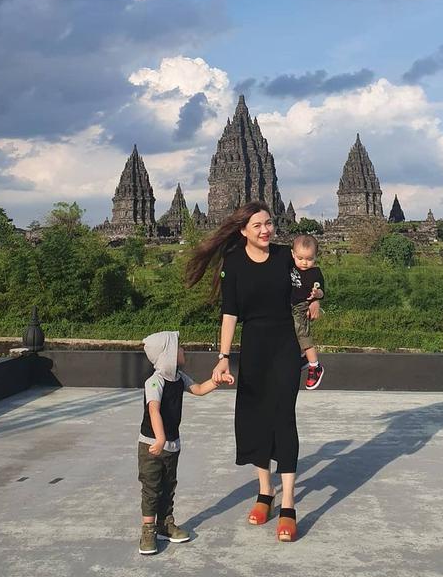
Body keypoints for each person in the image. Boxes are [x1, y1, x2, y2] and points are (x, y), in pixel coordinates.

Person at [186, 202, 322, 543]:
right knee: (257, 418)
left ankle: (288, 503)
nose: (266, 229)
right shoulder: (233, 264)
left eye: (269, 223)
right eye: (258, 225)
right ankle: (266, 491)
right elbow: (229, 313)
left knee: (283, 418)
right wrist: (223, 357)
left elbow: (310, 275)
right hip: (255, 347)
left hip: (285, 346)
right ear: (243, 231)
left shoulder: (284, 257)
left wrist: (317, 297)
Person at [138, 330, 233, 556]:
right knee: (151, 488)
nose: (184, 350)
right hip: (151, 444)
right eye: (180, 347)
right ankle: (148, 530)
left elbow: (199, 390)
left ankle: (165, 522)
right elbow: (154, 410)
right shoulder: (154, 381)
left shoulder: (179, 378)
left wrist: (217, 381)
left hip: (172, 445)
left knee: (168, 486)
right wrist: (160, 438)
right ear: (168, 354)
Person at [290, 234, 325, 390]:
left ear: (315, 257)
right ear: (293, 255)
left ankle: (315, 365)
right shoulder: (289, 266)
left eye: (309, 259)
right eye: (300, 258)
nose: (304, 262)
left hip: (302, 306)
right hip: (288, 305)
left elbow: (321, 291)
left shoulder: (315, 273)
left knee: (302, 333)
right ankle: (301, 359)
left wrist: (316, 296)